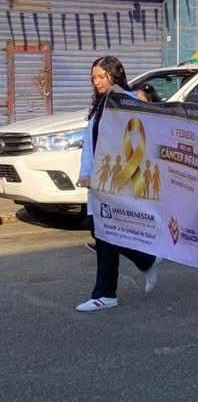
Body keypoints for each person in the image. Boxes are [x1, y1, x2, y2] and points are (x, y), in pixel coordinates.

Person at [75, 56, 160, 311]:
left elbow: (142, 132)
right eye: (93, 78)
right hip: (100, 180)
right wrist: (86, 171)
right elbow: (90, 141)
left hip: (118, 180)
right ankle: (145, 260)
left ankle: (105, 293)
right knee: (99, 230)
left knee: (104, 231)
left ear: (115, 75)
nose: (97, 82)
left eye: (102, 76)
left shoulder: (126, 101)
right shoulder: (101, 103)